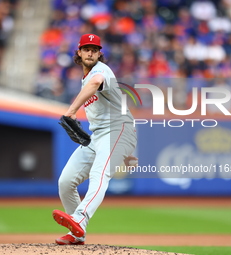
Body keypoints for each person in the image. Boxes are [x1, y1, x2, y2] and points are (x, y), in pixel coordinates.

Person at [52, 34, 137, 245]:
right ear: (79, 53)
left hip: (119, 129)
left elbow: (96, 82)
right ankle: (77, 232)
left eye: (94, 49)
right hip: (97, 135)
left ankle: (80, 218)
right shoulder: (85, 78)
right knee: (66, 181)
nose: (90, 52)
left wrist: (71, 110)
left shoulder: (101, 71)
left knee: (100, 174)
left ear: (99, 54)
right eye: (86, 48)